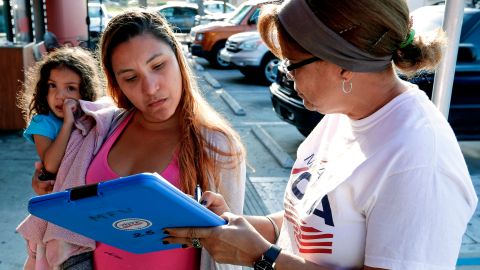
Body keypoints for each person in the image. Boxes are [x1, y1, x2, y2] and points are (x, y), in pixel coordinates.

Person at [164, 0, 478, 269]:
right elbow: (304, 223)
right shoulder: (344, 114)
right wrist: (230, 227)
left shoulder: (419, 160)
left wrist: (262, 257)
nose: (286, 73)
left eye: (291, 63)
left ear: (344, 63)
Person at [18, 10, 246, 270]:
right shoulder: (99, 127)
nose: (150, 88)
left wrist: (207, 231)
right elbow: (66, 182)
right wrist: (50, 181)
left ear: (179, 58)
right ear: (117, 84)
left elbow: (230, 250)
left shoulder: (217, 146)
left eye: (158, 66)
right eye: (130, 78)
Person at [19, 46, 100, 180]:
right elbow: (50, 166)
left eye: (70, 88)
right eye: (52, 85)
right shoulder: (42, 123)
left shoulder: (92, 117)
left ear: (86, 91)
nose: (59, 96)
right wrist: (68, 124)